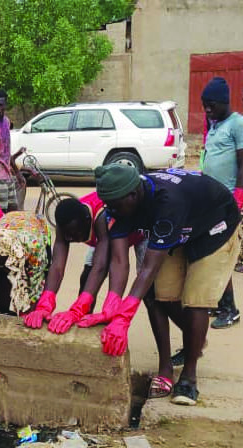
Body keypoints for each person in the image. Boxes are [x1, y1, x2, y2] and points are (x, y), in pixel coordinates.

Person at [95, 164, 241, 406]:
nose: (112, 211)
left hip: (215, 227)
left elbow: (149, 269)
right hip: (181, 227)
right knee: (160, 296)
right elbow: (119, 260)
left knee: (196, 301)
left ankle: (189, 377)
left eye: (115, 206)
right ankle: (181, 353)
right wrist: (113, 305)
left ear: (133, 195)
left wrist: (125, 317)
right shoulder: (120, 203)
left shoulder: (168, 202)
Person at [24, 193, 144, 333]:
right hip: (103, 238)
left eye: (73, 233)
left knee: (150, 293)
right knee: (86, 278)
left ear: (88, 221)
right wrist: (44, 304)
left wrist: (77, 309)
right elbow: (57, 266)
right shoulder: (65, 222)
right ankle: (83, 325)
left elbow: (100, 267)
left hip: (137, 233)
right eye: (66, 234)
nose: (69, 238)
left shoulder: (100, 219)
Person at [201, 77, 243, 328]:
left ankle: (230, 309)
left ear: (225, 102)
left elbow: (242, 163)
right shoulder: (214, 123)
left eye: (211, 105)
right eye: (204, 105)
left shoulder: (237, 123)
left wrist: (237, 194)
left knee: (221, 253)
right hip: (209, 198)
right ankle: (218, 303)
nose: (207, 109)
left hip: (226, 201)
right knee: (209, 252)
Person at [0, 211, 51, 315]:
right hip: (9, 227)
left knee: (33, 285)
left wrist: (30, 314)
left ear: (9, 257)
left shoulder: (34, 247)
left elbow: (36, 286)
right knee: (4, 288)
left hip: (34, 232)